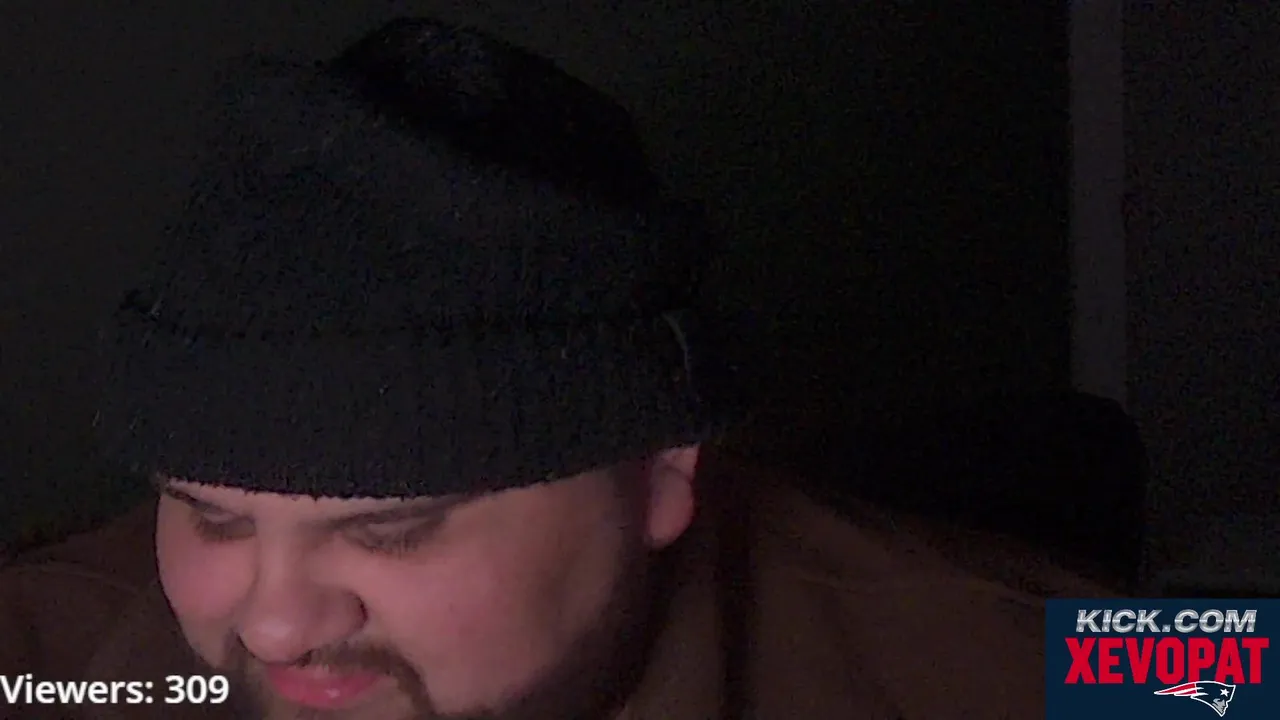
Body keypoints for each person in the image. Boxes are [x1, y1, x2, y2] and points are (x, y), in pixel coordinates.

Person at [0, 17, 1106, 720]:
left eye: (393, 529)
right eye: (215, 519)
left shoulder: (1043, 662)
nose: (273, 624)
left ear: (659, 475)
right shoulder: (45, 656)